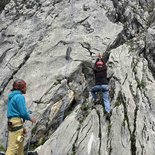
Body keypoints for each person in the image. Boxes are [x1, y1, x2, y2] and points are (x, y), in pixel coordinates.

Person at [6, 79, 36, 155]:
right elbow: (23, 113)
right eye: (25, 87)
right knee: (12, 148)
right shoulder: (19, 97)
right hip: (17, 123)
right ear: (21, 87)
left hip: (13, 123)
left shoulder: (12, 97)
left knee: (19, 148)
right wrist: (30, 118)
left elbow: (15, 110)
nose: (26, 88)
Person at [91, 56, 111, 120]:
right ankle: (107, 112)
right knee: (106, 100)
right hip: (104, 86)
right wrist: (102, 59)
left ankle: (96, 99)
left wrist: (97, 59)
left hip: (97, 86)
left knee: (92, 91)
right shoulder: (104, 69)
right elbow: (104, 65)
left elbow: (94, 66)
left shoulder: (95, 70)